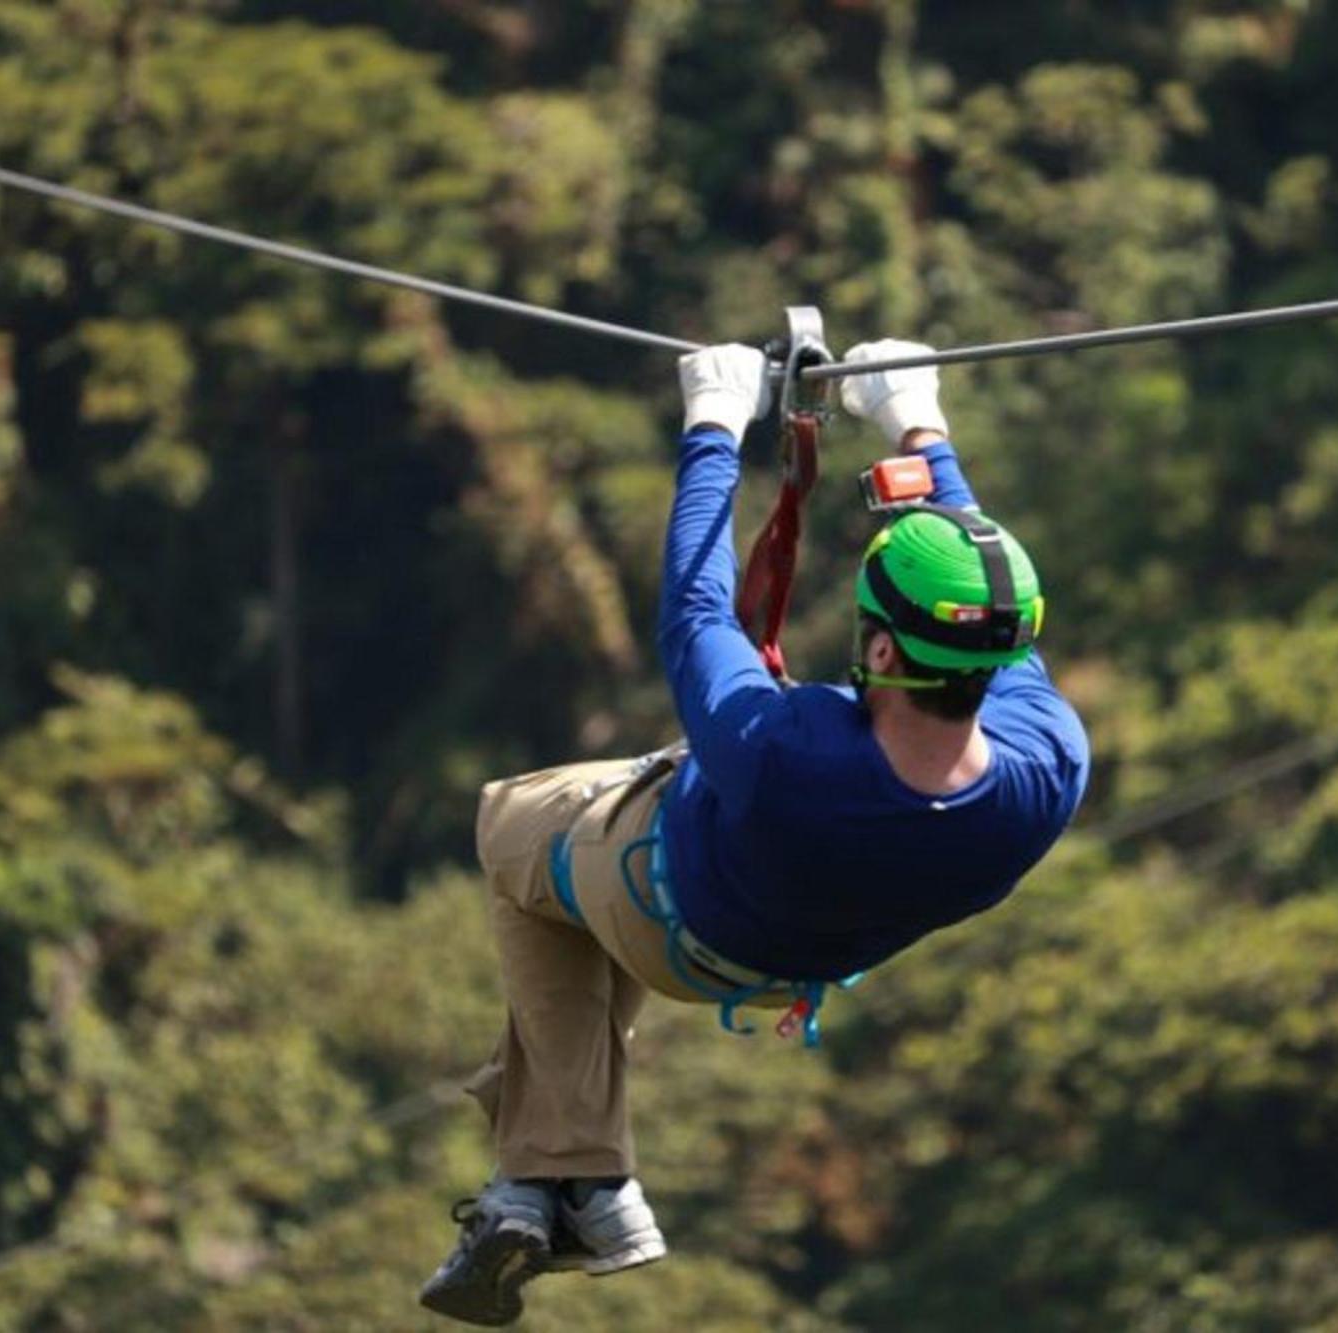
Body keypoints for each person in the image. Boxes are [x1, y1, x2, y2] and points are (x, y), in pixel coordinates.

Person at [419, 340, 1090, 1325]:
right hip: (793, 958)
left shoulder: (785, 750)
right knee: (581, 877)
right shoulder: (1046, 767)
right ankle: (549, 1185)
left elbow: (695, 609)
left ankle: (574, 1174)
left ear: (872, 646)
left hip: (671, 913)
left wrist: (711, 427)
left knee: (513, 824)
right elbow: (986, 604)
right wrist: (917, 423)